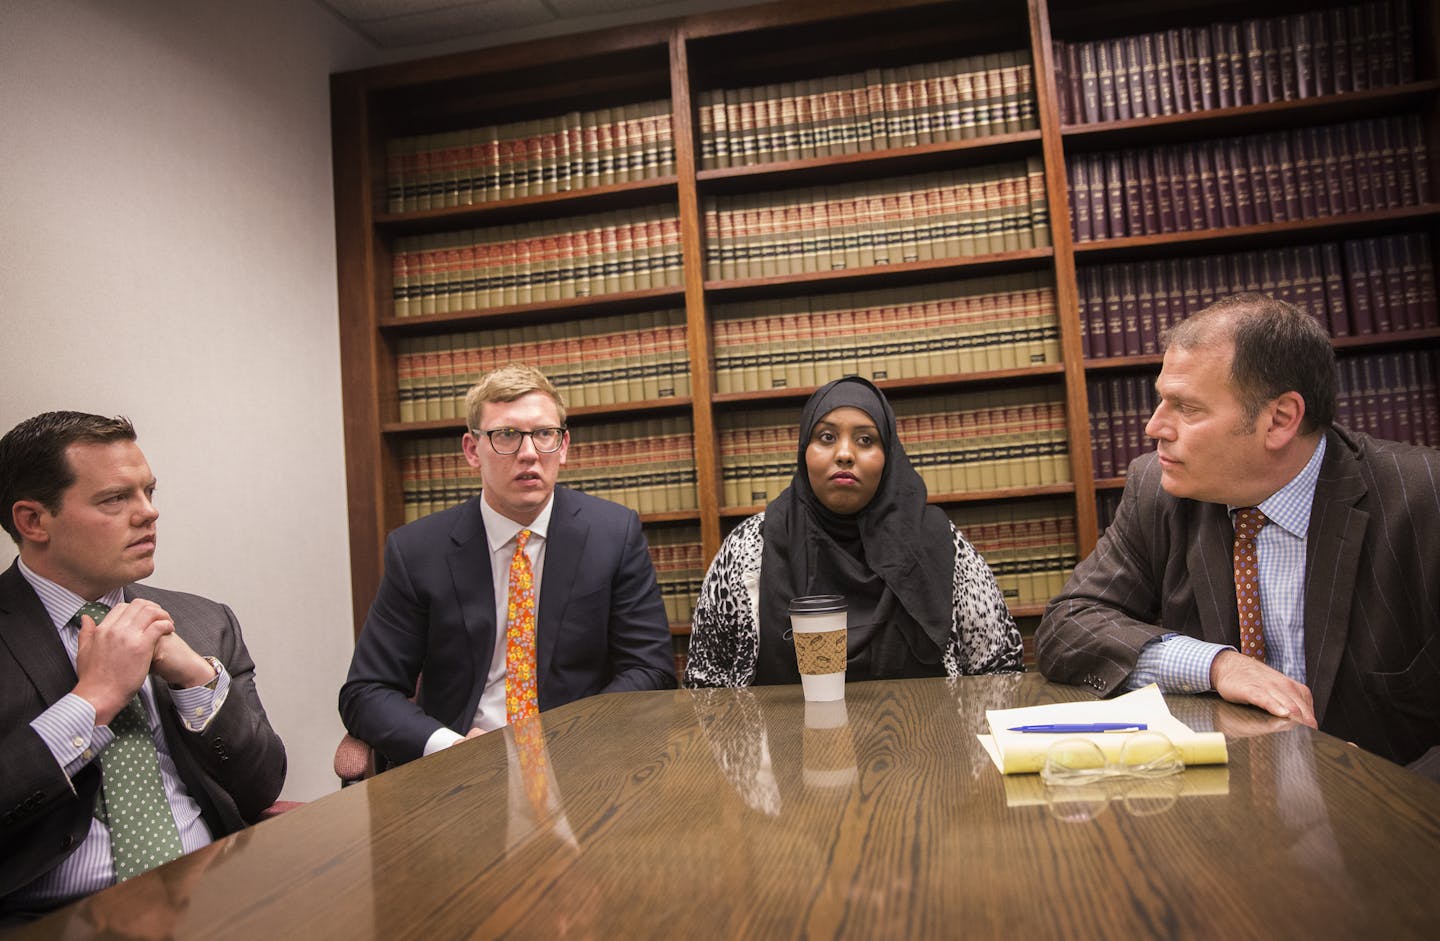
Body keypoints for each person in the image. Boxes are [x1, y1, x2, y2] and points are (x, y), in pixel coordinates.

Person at [1036, 293, 1440, 779]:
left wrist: (1389, 795)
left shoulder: (1424, 499)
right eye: (1161, 399)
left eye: (1186, 407)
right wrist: (1216, 665)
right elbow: (1068, 623)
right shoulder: (1157, 490)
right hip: (1222, 816)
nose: (1154, 426)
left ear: (1280, 419)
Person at [0, 412, 285, 922]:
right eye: (115, 498)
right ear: (33, 521)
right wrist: (93, 702)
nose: (148, 513)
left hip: (213, 898)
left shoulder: (202, 622)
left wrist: (196, 679)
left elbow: (261, 787)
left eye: (149, 491)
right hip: (49, 920)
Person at [340, 363, 675, 770]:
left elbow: (650, 669)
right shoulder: (417, 551)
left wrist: (568, 736)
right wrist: (449, 745)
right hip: (462, 769)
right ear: (471, 449)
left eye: (544, 434)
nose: (529, 453)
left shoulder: (613, 535)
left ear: (564, 446)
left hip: (582, 762)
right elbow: (367, 691)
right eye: (506, 435)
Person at [686, 376, 1023, 687]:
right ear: (804, 451)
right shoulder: (750, 548)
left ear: (888, 456)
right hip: (785, 748)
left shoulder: (942, 544)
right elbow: (704, 682)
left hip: (924, 744)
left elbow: (1001, 668)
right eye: (826, 437)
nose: (845, 454)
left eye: (865, 439)